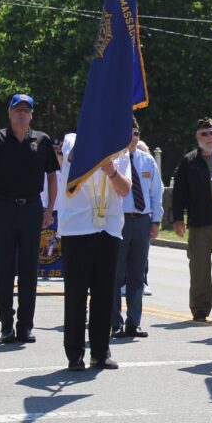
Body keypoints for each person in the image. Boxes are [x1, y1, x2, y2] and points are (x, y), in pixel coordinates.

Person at [0, 94, 59, 344]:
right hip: (3, 207)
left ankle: (25, 326)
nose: (22, 114)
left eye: (26, 110)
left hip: (32, 207)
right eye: (18, 110)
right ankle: (6, 325)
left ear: (32, 114)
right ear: (10, 113)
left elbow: (53, 177)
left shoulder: (41, 140)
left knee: (29, 270)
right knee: (4, 269)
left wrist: (49, 210)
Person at [57, 132, 131, 371]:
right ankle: (74, 354)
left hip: (108, 228)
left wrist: (111, 170)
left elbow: (124, 189)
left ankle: (100, 352)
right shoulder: (73, 139)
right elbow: (71, 160)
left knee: (105, 295)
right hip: (78, 229)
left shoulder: (121, 152)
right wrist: (95, 147)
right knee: (76, 294)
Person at [111, 120, 162, 339]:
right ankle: (114, 322)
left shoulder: (147, 160)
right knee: (115, 274)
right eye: (129, 133)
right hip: (119, 221)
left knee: (137, 274)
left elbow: (155, 193)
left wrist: (156, 221)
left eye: (136, 133)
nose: (133, 137)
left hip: (141, 220)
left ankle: (134, 323)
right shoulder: (114, 160)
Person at [171, 118, 212, 321]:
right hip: (200, 223)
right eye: (205, 134)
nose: (210, 137)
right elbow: (179, 193)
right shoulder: (189, 161)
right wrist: (177, 219)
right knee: (199, 268)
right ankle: (200, 309)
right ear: (197, 137)